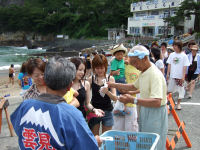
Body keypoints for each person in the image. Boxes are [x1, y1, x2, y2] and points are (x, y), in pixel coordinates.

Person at [11, 56, 100, 150]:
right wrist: (95, 141)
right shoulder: (72, 114)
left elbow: (18, 128)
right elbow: (86, 146)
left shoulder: (24, 106)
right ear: (70, 86)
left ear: (46, 80)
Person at [108, 45, 168, 150]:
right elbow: (133, 86)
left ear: (144, 58)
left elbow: (157, 101)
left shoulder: (154, 74)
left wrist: (133, 100)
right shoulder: (145, 71)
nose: (135, 66)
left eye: (135, 63)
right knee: (145, 140)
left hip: (155, 112)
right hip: (145, 109)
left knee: (154, 141)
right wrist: (113, 85)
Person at [87, 54, 115, 135]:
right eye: (97, 68)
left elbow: (115, 98)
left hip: (108, 111)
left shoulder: (110, 79)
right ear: (94, 68)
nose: (100, 70)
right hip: (94, 111)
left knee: (106, 137)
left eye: (102, 68)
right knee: (95, 137)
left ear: (106, 67)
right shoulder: (90, 79)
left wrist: (107, 92)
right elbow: (87, 99)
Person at [167, 40, 190, 110]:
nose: (173, 47)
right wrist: (168, 74)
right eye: (173, 45)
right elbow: (169, 64)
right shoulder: (171, 55)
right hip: (172, 75)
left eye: (175, 46)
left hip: (179, 76)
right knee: (169, 90)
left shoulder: (184, 56)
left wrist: (183, 76)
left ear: (179, 46)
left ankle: (178, 104)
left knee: (180, 90)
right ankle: (169, 103)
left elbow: (185, 67)